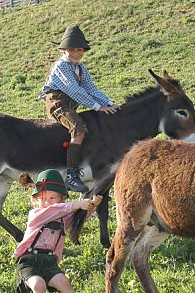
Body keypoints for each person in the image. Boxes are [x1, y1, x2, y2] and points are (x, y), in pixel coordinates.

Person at [13, 169, 103, 293]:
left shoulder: (62, 218)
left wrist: (91, 206)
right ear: (35, 201)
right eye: (42, 198)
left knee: (64, 282)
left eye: (52, 198)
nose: (46, 201)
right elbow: (54, 210)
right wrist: (76, 204)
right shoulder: (36, 215)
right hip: (28, 261)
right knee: (38, 285)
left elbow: (76, 217)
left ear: (62, 199)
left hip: (49, 262)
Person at [39, 23, 120, 193]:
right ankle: (71, 175)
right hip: (58, 104)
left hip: (71, 105)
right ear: (63, 50)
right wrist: (97, 107)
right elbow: (76, 91)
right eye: (72, 50)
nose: (76, 53)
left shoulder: (81, 69)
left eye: (80, 50)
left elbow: (91, 89)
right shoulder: (61, 67)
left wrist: (108, 103)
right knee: (79, 129)